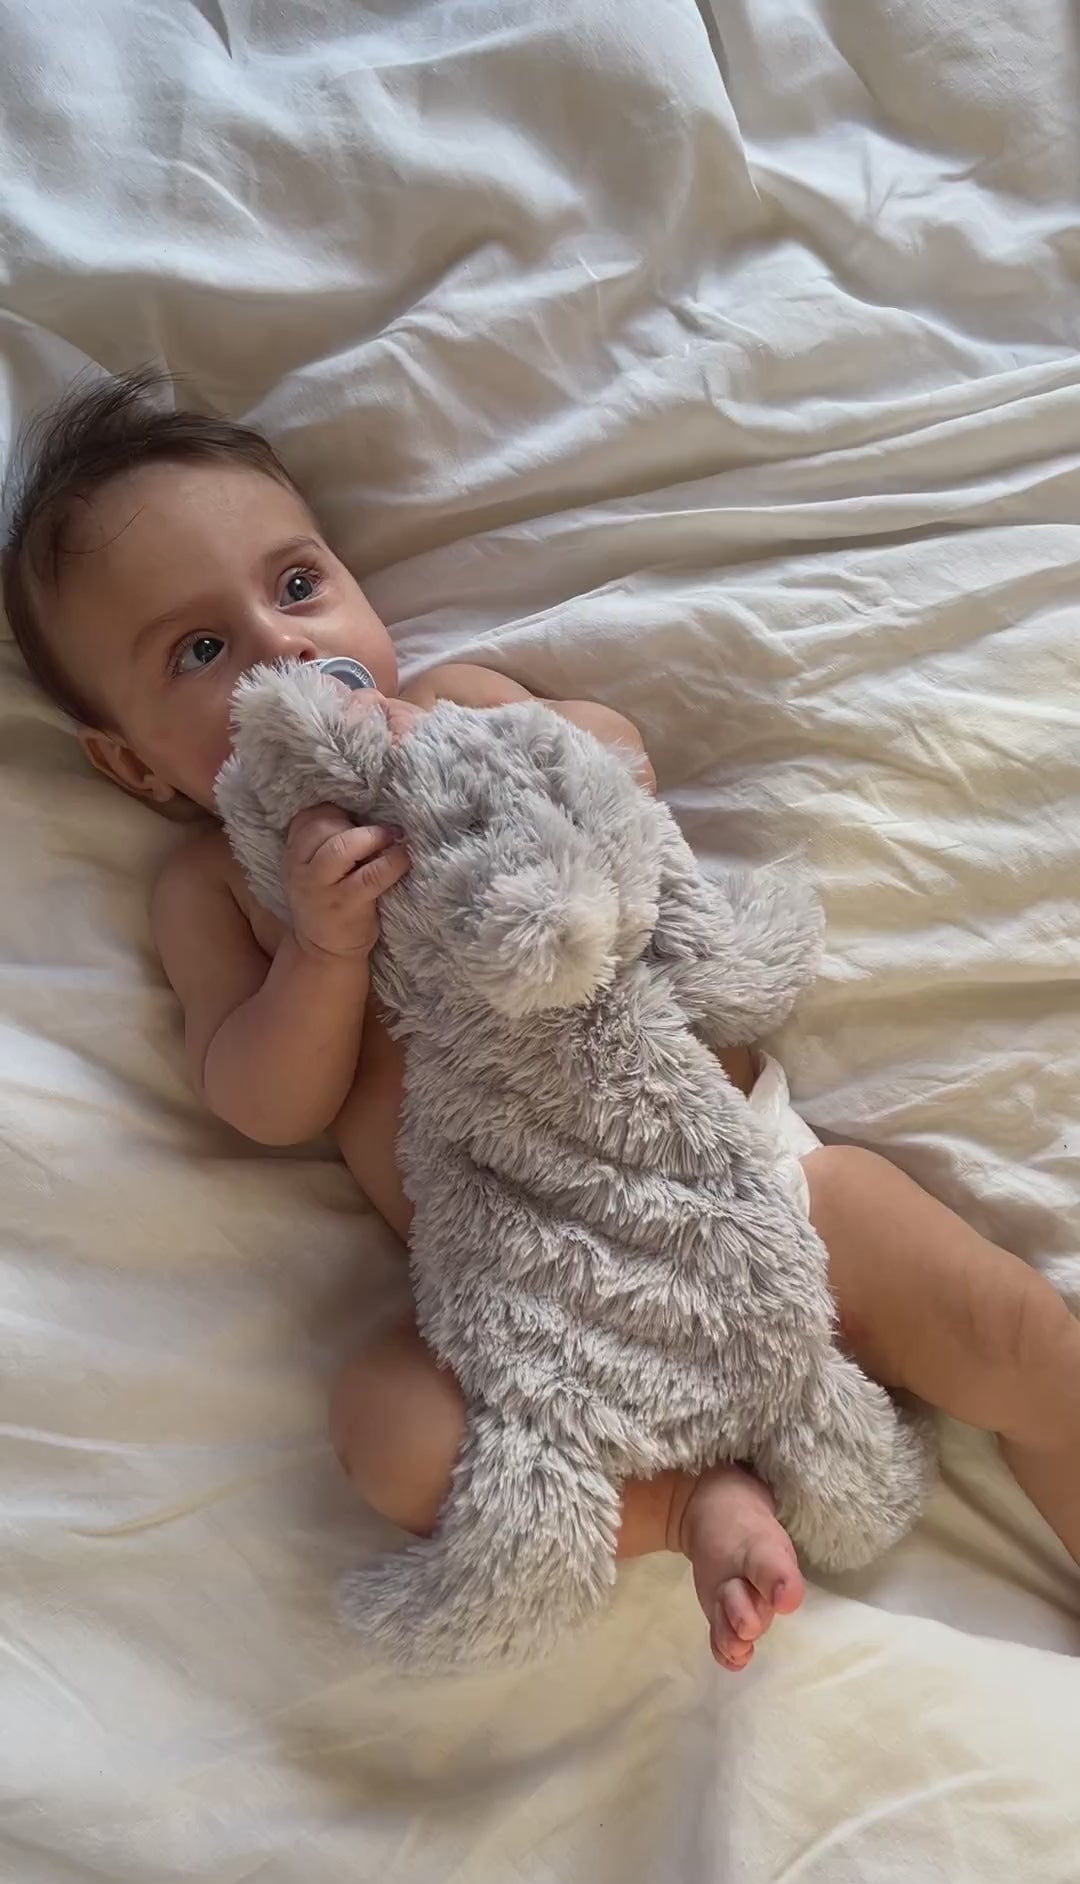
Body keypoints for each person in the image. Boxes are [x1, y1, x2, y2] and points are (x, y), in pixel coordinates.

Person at [4, 372, 1078, 1672]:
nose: (280, 649)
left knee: (1027, 1348)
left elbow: (619, 766)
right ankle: (686, 1506)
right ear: (130, 761)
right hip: (534, 1305)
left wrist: (491, 762)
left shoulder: (457, 703)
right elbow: (261, 1099)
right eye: (199, 652)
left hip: (751, 1186)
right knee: (384, 1428)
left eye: (296, 586)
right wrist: (322, 955)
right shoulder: (215, 889)